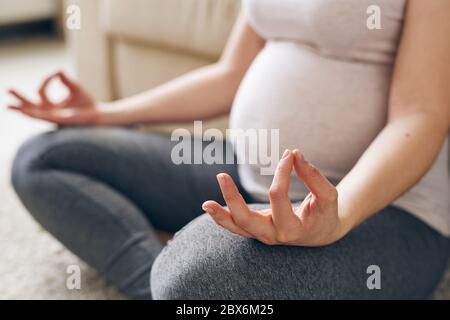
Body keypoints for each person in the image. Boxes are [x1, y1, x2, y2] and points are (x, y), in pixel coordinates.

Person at [8, 0, 450, 299]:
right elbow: (231, 73)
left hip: (382, 211)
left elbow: (420, 115)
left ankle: (177, 284)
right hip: (248, 173)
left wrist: (339, 218)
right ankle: (166, 285)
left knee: (194, 276)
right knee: (44, 159)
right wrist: (103, 114)